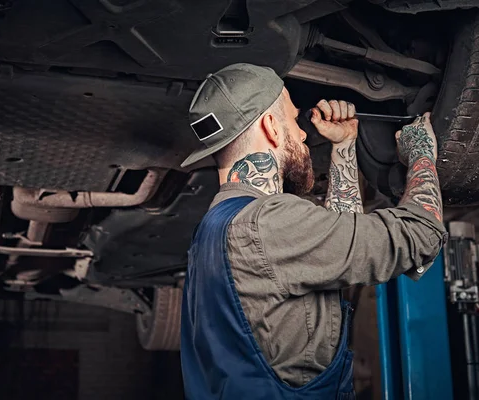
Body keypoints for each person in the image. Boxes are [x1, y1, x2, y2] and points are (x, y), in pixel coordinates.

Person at [180, 63, 446, 399]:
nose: (303, 133)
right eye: (293, 119)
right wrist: (422, 153)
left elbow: (338, 252)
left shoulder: (213, 230)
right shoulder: (270, 224)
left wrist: (346, 145)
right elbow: (420, 235)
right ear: (271, 127)